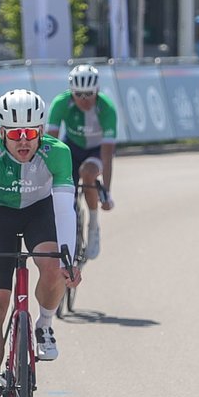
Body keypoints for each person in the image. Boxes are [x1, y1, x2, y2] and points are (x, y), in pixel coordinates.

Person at [0, 90, 81, 397]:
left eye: (31, 132)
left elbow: (65, 210)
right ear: (2, 132)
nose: (24, 141)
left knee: (53, 266)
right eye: (16, 134)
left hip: (39, 212)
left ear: (41, 130)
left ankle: (44, 323)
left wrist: (69, 259)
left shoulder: (57, 153)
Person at [45, 64, 119, 260]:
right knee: (62, 186)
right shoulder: (61, 103)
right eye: (79, 94)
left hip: (96, 150)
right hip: (71, 147)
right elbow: (49, 144)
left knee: (87, 172)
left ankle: (93, 225)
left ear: (97, 90)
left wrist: (107, 191)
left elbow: (107, 155)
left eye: (89, 94)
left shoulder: (106, 108)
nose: (84, 100)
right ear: (72, 92)